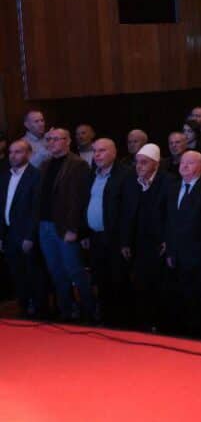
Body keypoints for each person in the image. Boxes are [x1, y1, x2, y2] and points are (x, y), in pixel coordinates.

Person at [162, 150, 201, 338]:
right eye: (183, 162)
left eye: (190, 162)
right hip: (179, 255)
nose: (184, 165)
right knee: (184, 297)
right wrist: (170, 251)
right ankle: (187, 335)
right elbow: (170, 222)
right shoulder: (173, 188)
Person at [36, 128, 94, 322]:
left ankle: (89, 311)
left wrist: (75, 228)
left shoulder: (78, 164)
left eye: (56, 139)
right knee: (56, 271)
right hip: (45, 225)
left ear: (68, 141)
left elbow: (80, 199)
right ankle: (67, 312)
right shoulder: (45, 164)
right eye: (49, 139)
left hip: (65, 226)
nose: (51, 142)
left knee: (75, 270)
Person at [119, 143, 170, 331]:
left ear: (156, 163)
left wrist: (167, 239)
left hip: (159, 244)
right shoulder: (132, 182)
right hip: (138, 242)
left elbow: (170, 215)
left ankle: (159, 325)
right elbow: (126, 214)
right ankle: (142, 325)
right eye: (137, 162)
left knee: (159, 286)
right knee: (140, 285)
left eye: (144, 162)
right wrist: (125, 241)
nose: (139, 166)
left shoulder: (167, 182)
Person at [80, 138, 131, 325]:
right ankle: (106, 320)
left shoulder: (125, 175)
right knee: (100, 281)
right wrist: (84, 232)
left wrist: (125, 241)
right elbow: (85, 204)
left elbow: (128, 212)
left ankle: (121, 322)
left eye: (102, 151)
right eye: (95, 151)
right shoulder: (91, 174)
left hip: (115, 239)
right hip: (95, 237)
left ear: (114, 153)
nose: (97, 155)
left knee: (118, 281)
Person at [0, 139, 45, 317]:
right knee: (17, 274)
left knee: (34, 273)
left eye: (18, 152)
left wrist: (30, 236)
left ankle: (40, 310)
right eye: (11, 152)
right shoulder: (5, 176)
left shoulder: (36, 176)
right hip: (9, 233)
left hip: (26, 235)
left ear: (29, 154)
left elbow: (36, 209)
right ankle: (24, 309)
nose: (13, 155)